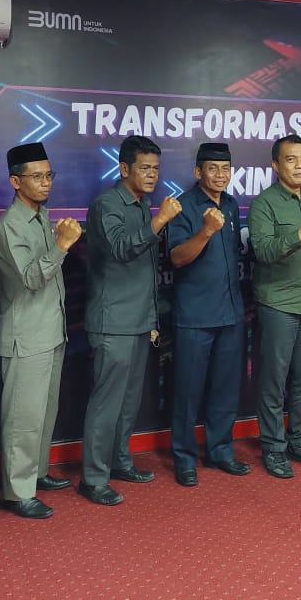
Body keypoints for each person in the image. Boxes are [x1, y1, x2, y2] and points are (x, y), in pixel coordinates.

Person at [80, 135, 180, 505]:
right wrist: (160, 221)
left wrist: (152, 318)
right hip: (112, 321)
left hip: (139, 319)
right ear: (124, 169)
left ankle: (120, 461)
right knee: (107, 402)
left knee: (128, 402)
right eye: (145, 168)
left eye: (156, 168)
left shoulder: (142, 204)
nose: (152, 175)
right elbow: (122, 248)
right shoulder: (106, 204)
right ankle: (93, 478)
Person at [0, 143, 82, 518]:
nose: (45, 182)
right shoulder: (9, 225)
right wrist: (62, 245)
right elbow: (31, 278)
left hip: (50, 330)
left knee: (44, 412)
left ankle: (36, 473)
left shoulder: (41, 216)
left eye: (48, 175)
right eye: (37, 176)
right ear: (16, 181)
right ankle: (17, 492)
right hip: (26, 335)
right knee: (23, 418)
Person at [248, 134, 301, 478]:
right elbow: (262, 252)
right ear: (275, 165)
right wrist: (299, 234)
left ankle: (300, 441)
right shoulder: (264, 203)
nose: (300, 166)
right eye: (291, 159)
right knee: (273, 381)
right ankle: (273, 447)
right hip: (278, 304)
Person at [168, 142, 250, 487]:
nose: (220, 175)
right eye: (212, 168)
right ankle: (185, 458)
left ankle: (220, 450)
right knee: (187, 392)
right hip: (195, 315)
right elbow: (177, 257)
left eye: (225, 168)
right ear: (197, 171)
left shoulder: (230, 204)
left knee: (225, 389)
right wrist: (205, 231)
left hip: (230, 313)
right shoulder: (184, 206)